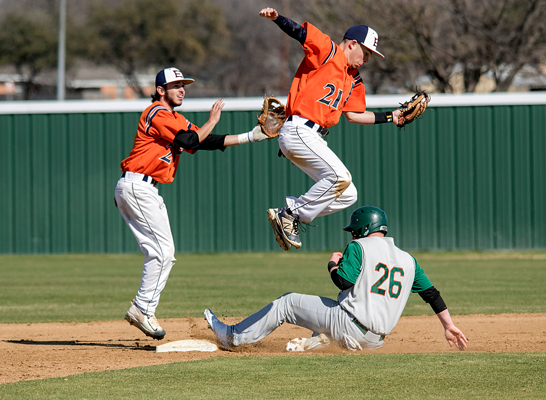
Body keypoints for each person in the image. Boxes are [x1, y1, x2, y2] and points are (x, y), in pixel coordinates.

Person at [116, 67, 267, 340]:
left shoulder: (174, 118)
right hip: (139, 184)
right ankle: (141, 308)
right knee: (162, 251)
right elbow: (189, 139)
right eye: (175, 85)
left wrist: (252, 136)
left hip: (140, 186)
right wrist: (212, 120)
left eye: (183, 84)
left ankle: (143, 308)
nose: (182, 89)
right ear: (160, 90)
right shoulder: (156, 113)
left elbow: (204, 141)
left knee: (163, 253)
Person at [204, 206, 468, 351]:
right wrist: (448, 325)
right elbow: (431, 294)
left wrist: (332, 264)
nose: (353, 236)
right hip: (375, 342)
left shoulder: (360, 247)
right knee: (336, 307)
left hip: (348, 326)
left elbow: (342, 281)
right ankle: (315, 342)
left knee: (288, 302)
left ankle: (232, 337)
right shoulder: (408, 260)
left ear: (364, 230)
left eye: (355, 231)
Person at [259, 8, 404, 251]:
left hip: (312, 136)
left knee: (349, 194)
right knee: (340, 177)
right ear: (352, 44)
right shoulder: (329, 52)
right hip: (298, 130)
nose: (367, 59)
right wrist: (277, 19)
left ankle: (292, 215)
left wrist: (392, 116)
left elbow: (354, 115)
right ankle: (290, 213)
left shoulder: (353, 78)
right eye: (366, 52)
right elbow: (300, 33)